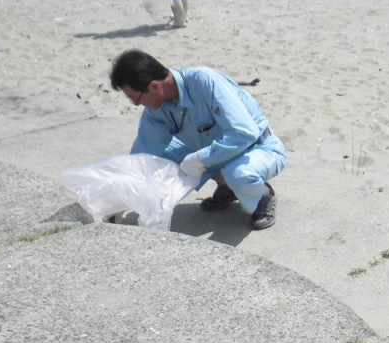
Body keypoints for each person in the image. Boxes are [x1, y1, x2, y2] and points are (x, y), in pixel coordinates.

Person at [110, 49, 286, 230]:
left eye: (135, 99)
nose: (137, 105)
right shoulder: (157, 109)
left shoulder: (206, 82)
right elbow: (142, 155)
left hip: (258, 148)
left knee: (239, 174)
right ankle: (228, 185)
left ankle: (262, 195)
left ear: (155, 86)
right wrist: (120, 196)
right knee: (160, 159)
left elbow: (244, 133)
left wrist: (200, 158)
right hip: (217, 153)